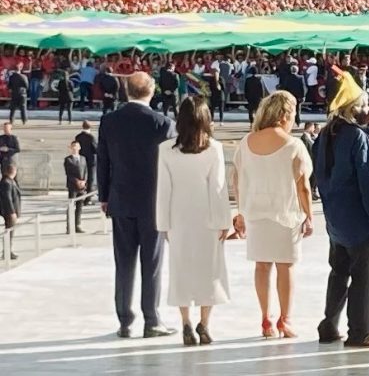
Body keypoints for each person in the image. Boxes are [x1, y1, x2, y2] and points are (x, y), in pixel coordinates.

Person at [97, 72, 177, 339]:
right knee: (151, 263)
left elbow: (103, 162)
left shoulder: (109, 121)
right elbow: (170, 168)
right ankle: (151, 319)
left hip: (120, 200)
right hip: (153, 203)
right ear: (151, 91)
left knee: (124, 263)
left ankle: (124, 320)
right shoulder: (162, 123)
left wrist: (104, 196)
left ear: (125, 90)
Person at [313, 70, 369, 348]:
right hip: (357, 218)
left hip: (335, 216)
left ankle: (328, 324)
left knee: (339, 272)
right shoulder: (356, 137)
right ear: (354, 108)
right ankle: (359, 331)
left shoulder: (325, 134)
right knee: (362, 277)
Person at [233, 91, 314, 339]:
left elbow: (237, 179)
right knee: (286, 267)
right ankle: (285, 320)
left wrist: (240, 212)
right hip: (286, 213)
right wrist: (309, 215)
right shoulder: (294, 145)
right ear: (284, 115)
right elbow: (303, 186)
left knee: (262, 266)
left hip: (256, 213)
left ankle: (266, 319)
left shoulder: (246, 142)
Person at [156, 96, 231, 347]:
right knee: (209, 272)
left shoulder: (166, 149)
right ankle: (204, 323)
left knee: (181, 271)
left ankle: (186, 322)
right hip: (207, 217)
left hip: (178, 218)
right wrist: (224, 220)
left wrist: (163, 223)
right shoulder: (214, 149)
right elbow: (218, 188)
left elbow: (163, 189)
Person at [63, 140, 88, 234]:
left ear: (79, 148)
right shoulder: (68, 159)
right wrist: (77, 181)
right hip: (73, 186)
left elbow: (86, 171)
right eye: (73, 146)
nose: (75, 148)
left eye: (76, 146)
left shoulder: (83, 158)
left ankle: (77, 225)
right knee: (71, 206)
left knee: (79, 206)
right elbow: (68, 173)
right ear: (70, 148)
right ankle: (69, 227)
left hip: (82, 186)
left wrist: (84, 181)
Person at [0, 162, 20, 261]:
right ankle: (7, 252)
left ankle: (8, 251)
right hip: (9, 213)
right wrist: (12, 212)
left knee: (10, 232)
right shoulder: (6, 182)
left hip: (12, 211)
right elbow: (7, 198)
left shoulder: (10, 181)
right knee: (9, 232)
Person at [76, 121, 98, 202]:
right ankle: (88, 198)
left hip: (81, 159)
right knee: (90, 178)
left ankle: (79, 196)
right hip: (91, 160)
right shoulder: (91, 137)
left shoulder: (78, 137)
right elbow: (96, 149)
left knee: (81, 177)